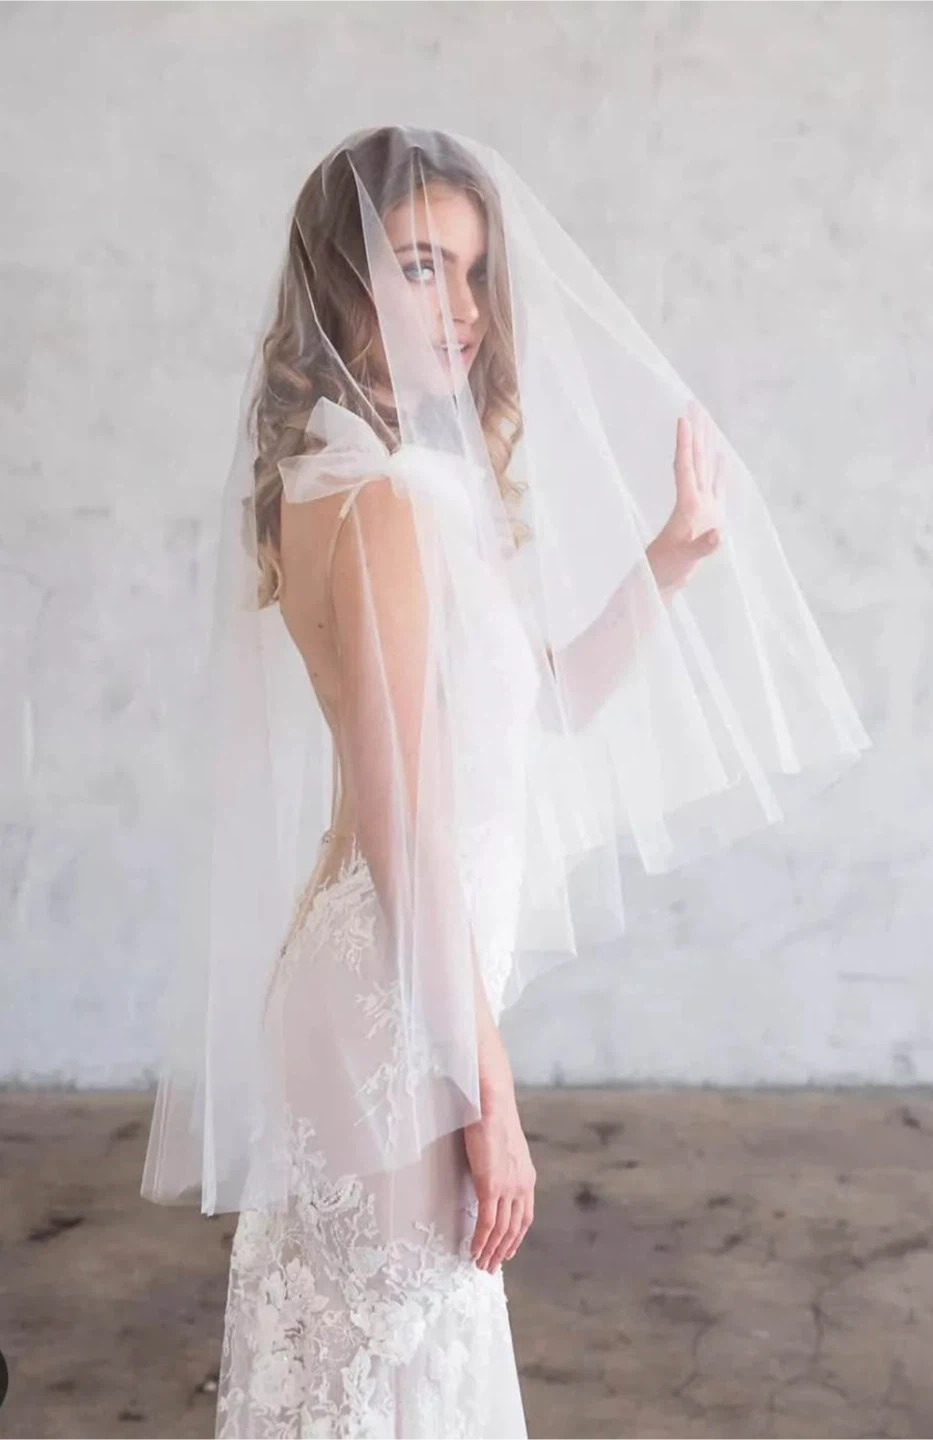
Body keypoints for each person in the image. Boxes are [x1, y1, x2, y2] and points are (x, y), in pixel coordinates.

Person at [140, 126, 869, 1438]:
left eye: (476, 272)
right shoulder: (379, 505)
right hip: (395, 1006)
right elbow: (406, 827)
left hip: (395, 988)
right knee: (392, 1388)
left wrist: (672, 555)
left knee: (382, 1388)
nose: (467, 308)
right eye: (425, 266)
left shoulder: (366, 485)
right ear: (345, 280)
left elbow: (542, 709)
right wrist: (496, 1098)